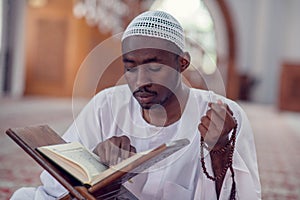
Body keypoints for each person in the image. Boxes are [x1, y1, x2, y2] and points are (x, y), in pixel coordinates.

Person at [11, 10, 261, 200]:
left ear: (182, 63)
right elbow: (53, 186)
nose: (140, 81)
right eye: (130, 68)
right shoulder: (106, 104)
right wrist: (97, 162)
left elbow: (243, 195)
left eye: (154, 67)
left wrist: (219, 150)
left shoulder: (222, 114)